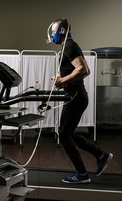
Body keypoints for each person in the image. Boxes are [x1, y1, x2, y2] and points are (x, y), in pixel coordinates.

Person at [47, 18, 113, 183]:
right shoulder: (68, 46)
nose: (52, 34)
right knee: (67, 133)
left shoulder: (69, 45)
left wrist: (63, 80)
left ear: (62, 30)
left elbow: (83, 70)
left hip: (76, 96)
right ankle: (101, 155)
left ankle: (82, 174)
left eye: (54, 30)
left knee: (63, 134)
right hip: (76, 96)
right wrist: (61, 78)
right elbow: (82, 70)